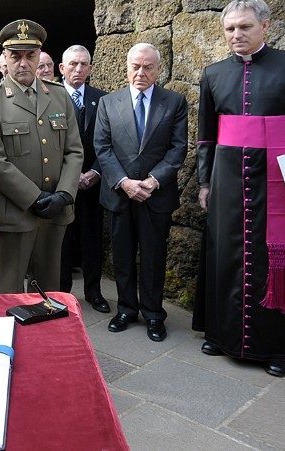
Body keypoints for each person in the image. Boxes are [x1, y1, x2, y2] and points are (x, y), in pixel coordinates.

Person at [193, 0, 285, 377]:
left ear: (265, 26)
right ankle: (222, 334)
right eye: (230, 28)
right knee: (226, 255)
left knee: (278, 259)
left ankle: (280, 347)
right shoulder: (213, 74)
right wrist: (205, 183)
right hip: (228, 182)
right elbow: (206, 138)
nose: (236, 34)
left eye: (244, 27)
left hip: (281, 181)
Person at [0, 20, 83, 294]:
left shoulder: (58, 95)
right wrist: (34, 198)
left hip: (55, 212)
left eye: (30, 56)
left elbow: (74, 151)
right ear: (5, 59)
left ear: (39, 57)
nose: (23, 63)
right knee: (8, 292)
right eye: (16, 56)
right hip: (12, 212)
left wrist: (64, 195)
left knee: (49, 290)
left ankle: (44, 338)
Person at [95, 43, 187, 343]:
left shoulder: (174, 102)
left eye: (148, 66)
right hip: (120, 195)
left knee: (153, 257)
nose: (141, 72)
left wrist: (153, 181)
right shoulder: (109, 103)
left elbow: (177, 148)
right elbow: (103, 147)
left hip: (155, 195)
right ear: (126, 67)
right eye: (135, 66)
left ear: (158, 69)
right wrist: (124, 182)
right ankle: (125, 309)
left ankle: (153, 314)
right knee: (122, 256)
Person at [57, 45, 110, 313]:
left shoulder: (103, 99)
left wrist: (96, 171)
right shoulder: (49, 96)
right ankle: (61, 293)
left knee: (92, 240)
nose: (79, 69)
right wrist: (68, 175)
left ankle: (94, 292)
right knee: (62, 242)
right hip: (60, 184)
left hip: (91, 184)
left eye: (84, 64)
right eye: (73, 64)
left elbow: (110, 142)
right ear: (62, 68)